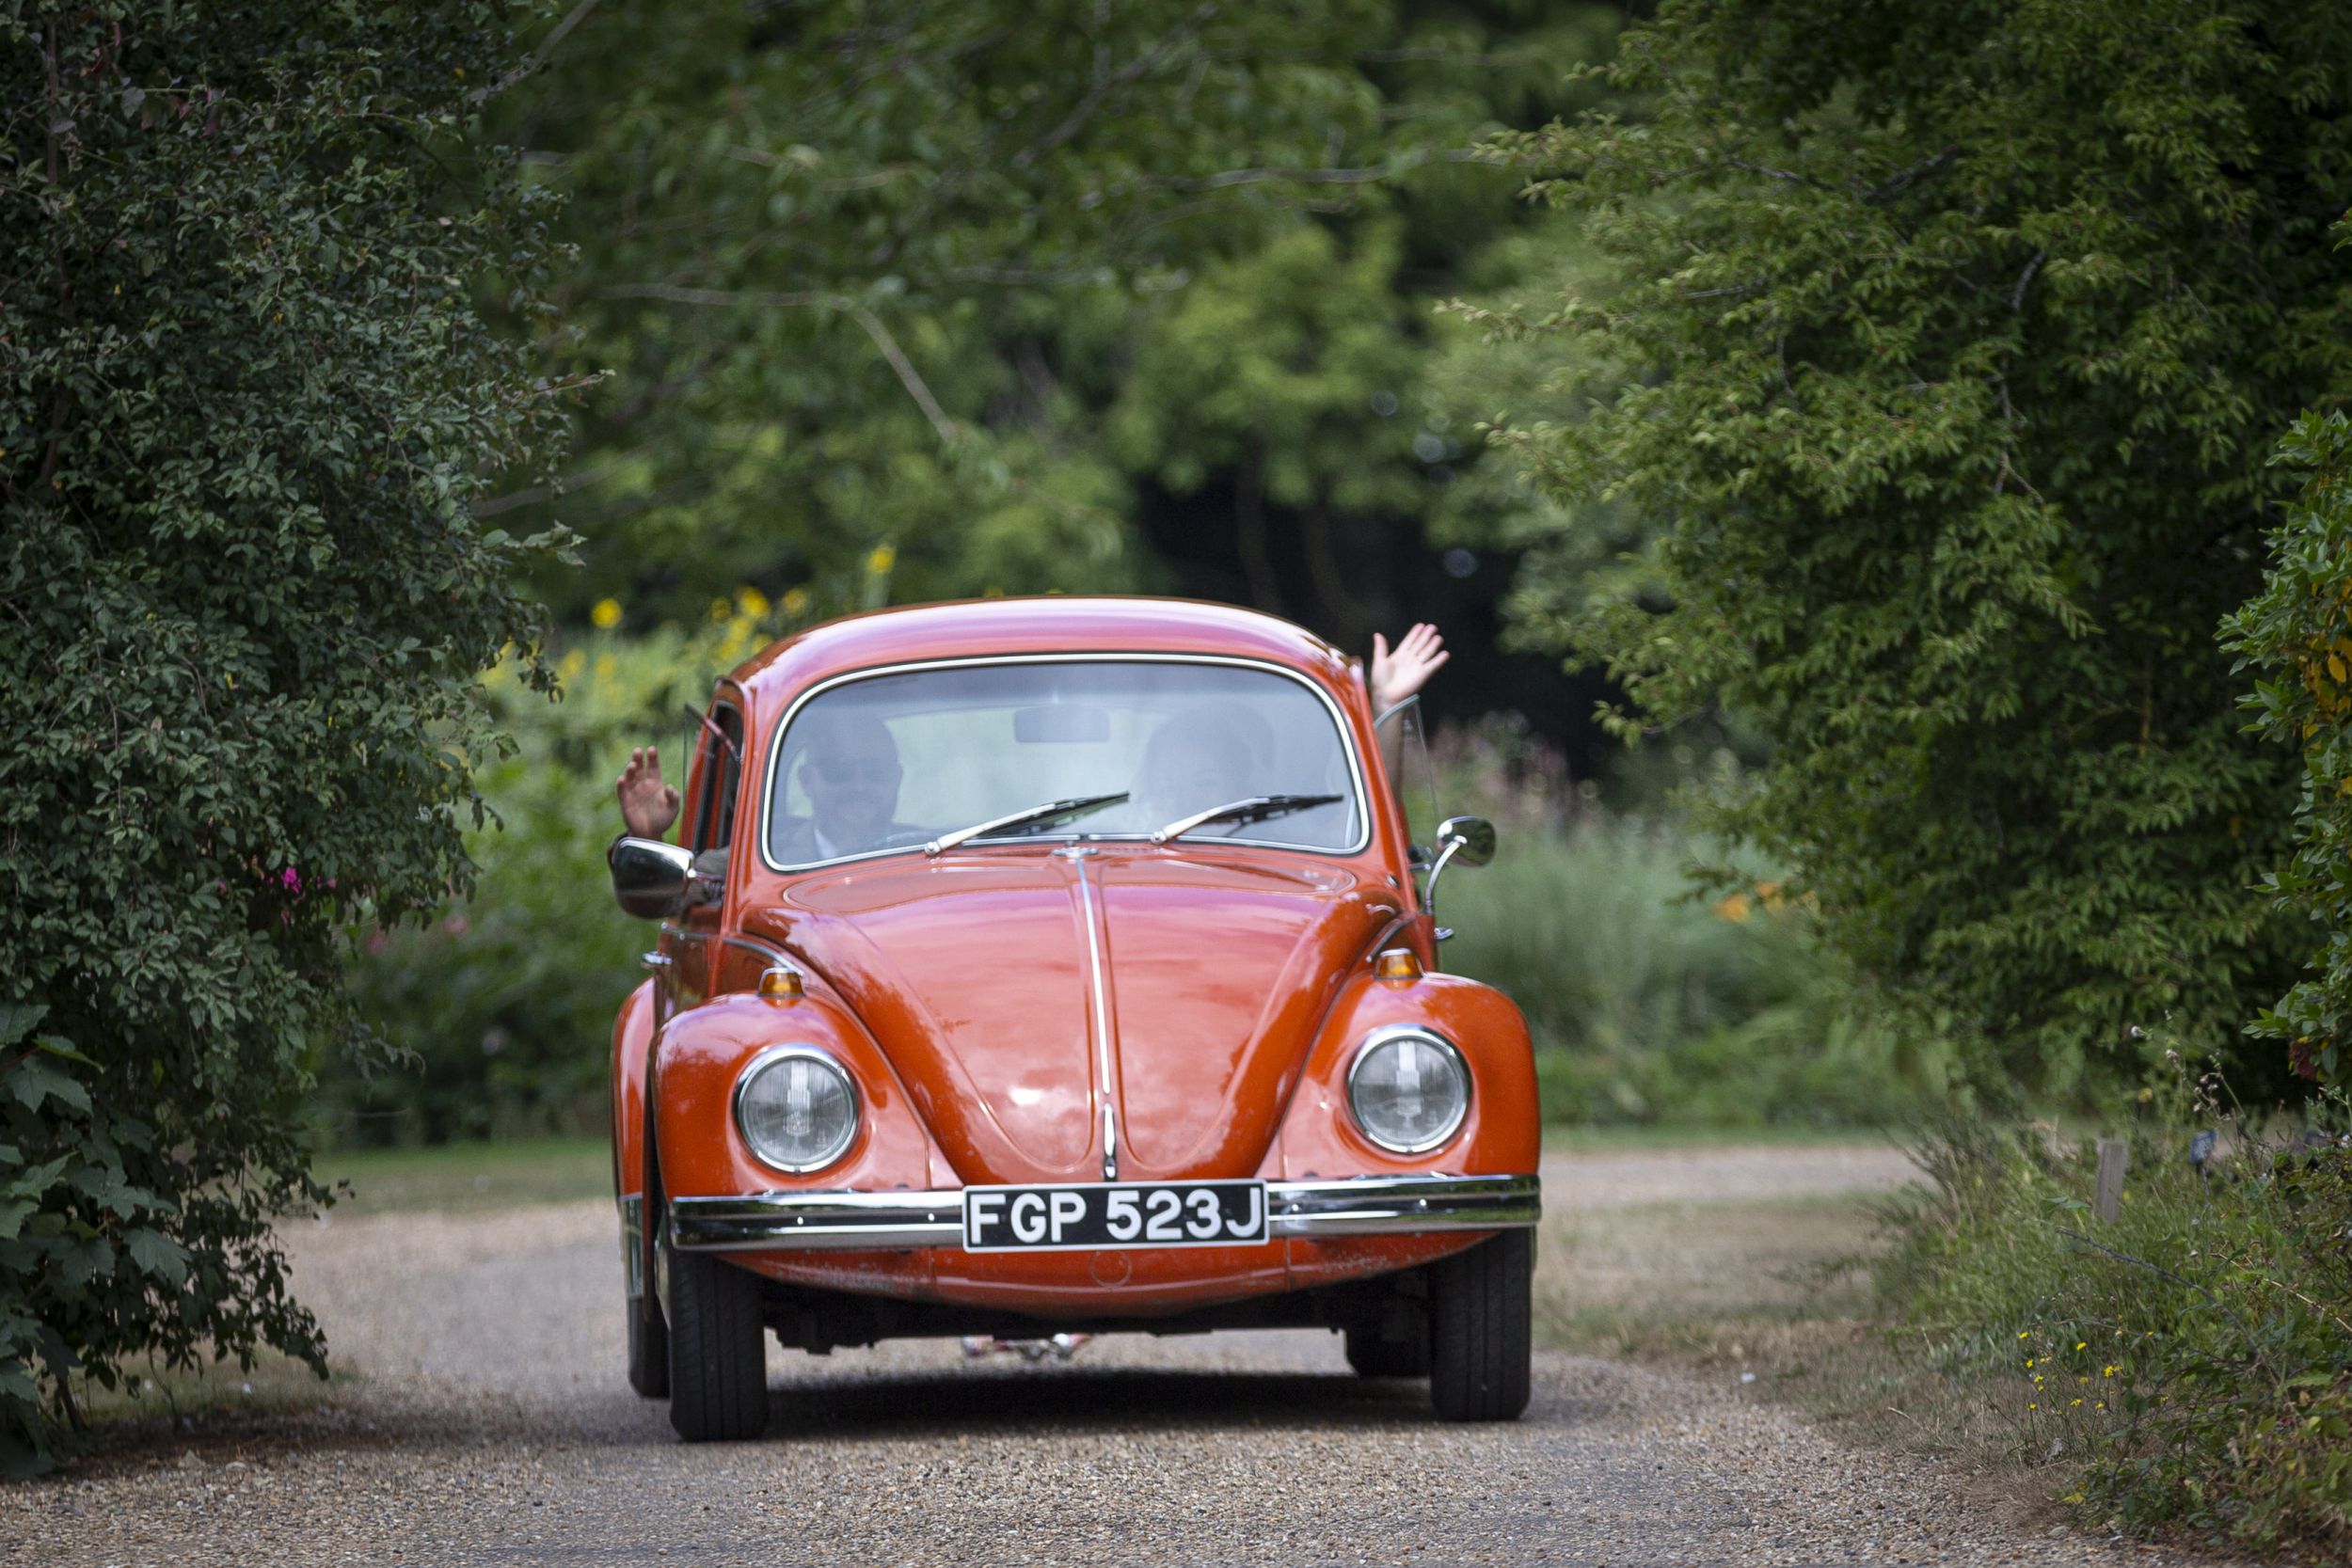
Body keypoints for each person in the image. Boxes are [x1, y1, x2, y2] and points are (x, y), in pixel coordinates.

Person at [614, 623, 1449, 841]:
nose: (863, 785)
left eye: (1216, 784)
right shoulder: (1110, 835)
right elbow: (691, 890)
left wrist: (1382, 712)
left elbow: (1372, 818)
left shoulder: (1273, 845)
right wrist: (674, 838)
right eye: (843, 770)